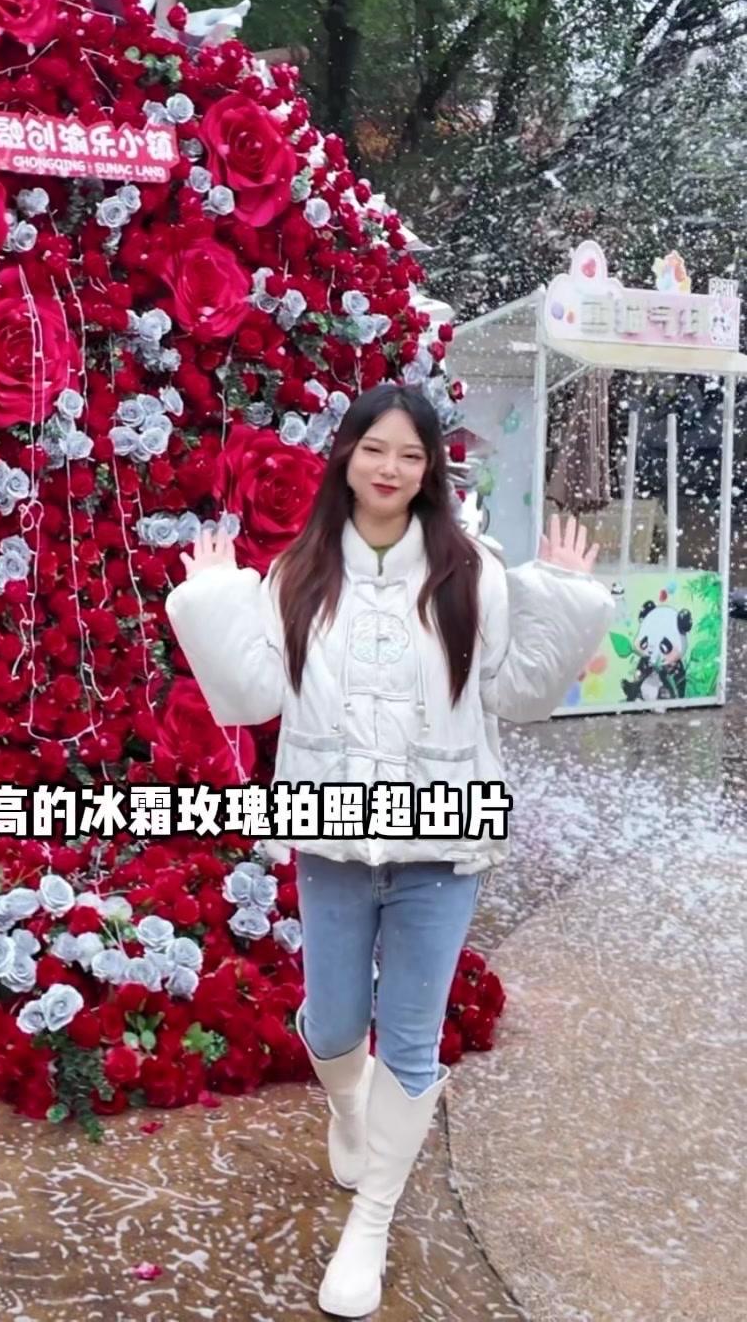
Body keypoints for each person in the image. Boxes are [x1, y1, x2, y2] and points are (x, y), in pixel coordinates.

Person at [165, 383, 615, 1319]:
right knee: (334, 1029)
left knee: (409, 1040)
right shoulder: (298, 572)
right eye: (376, 449)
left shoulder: (471, 572)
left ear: (430, 470)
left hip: (442, 843)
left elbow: (518, 695)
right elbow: (250, 697)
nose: (391, 469)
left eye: (412, 455)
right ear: (346, 455)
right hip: (331, 837)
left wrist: (568, 601)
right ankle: (347, 1105)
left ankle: (369, 1222)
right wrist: (213, 600)